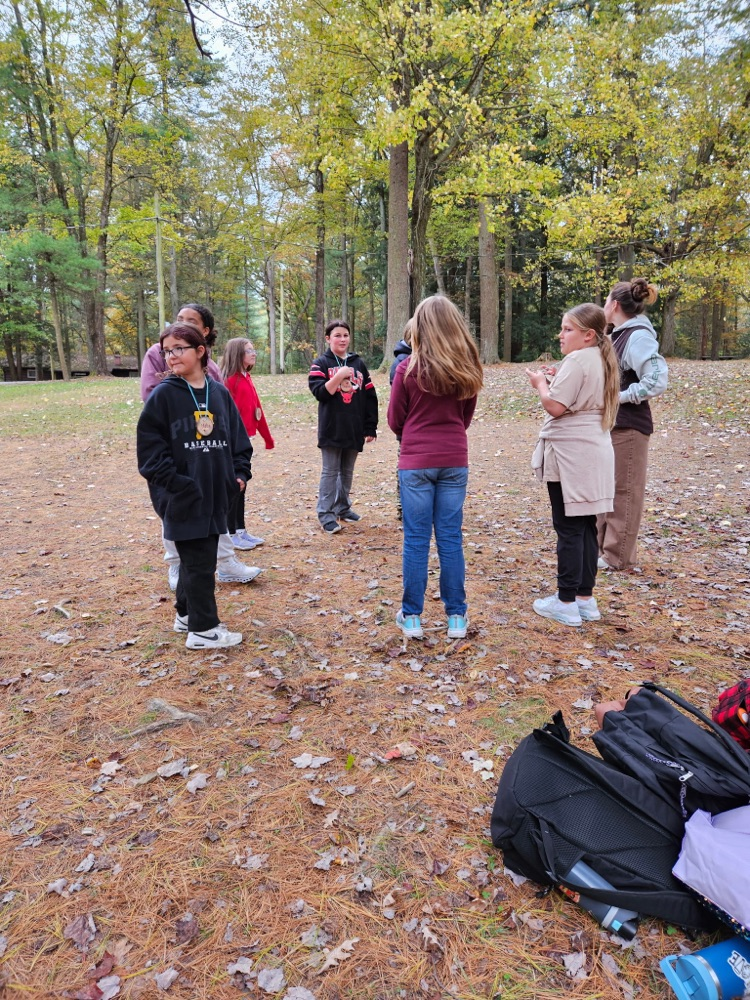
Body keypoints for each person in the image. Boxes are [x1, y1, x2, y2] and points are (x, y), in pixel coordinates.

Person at [137, 323, 252, 649]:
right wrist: (179, 485)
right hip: (182, 496)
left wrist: (239, 477)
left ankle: (187, 615)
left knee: (197, 559)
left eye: (179, 349)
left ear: (200, 351)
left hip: (217, 493)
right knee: (199, 563)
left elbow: (240, 442)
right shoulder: (163, 396)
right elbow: (150, 454)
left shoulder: (218, 393)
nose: (171, 356)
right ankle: (205, 631)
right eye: (167, 350)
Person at [387, 295, 483, 640]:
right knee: (450, 538)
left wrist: (414, 434)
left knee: (416, 539)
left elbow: (395, 419)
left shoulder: (407, 368)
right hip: (455, 459)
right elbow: (465, 418)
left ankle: (412, 616)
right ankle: (456, 616)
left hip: (416, 461)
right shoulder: (467, 368)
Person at [527, 303, 619, 627]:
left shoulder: (578, 359)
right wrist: (554, 380)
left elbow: (555, 406)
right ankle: (585, 597)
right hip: (594, 449)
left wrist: (540, 383)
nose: (561, 335)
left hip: (571, 454)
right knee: (585, 526)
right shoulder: (602, 359)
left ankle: (565, 601)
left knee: (568, 528)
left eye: (568, 329)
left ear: (588, 335)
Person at [597, 278, 668, 571]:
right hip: (611, 425)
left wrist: (620, 397)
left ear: (614, 305)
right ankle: (604, 551)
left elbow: (657, 379)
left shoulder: (638, 337)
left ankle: (618, 556)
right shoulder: (616, 335)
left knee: (624, 490)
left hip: (629, 426)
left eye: (605, 300)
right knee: (605, 488)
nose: (602, 306)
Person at [308, 319, 378, 534]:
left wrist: (370, 427)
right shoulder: (320, 363)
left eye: (345, 335)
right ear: (328, 339)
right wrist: (338, 376)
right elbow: (320, 393)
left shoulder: (359, 364)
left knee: (347, 471)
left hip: (354, 427)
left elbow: (370, 396)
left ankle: (342, 507)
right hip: (332, 428)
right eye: (337, 335)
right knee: (330, 472)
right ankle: (326, 514)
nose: (342, 339)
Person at [221, 337, 274, 550]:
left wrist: (267, 438)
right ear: (236, 355)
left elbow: (257, 410)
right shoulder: (229, 381)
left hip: (245, 441)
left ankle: (240, 530)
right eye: (248, 351)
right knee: (235, 485)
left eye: (254, 350)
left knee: (243, 486)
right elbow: (225, 415)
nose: (253, 353)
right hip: (232, 443)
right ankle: (230, 533)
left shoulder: (246, 378)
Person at [389, 324, 413, 522]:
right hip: (407, 429)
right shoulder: (401, 362)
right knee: (404, 470)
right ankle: (402, 507)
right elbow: (397, 403)